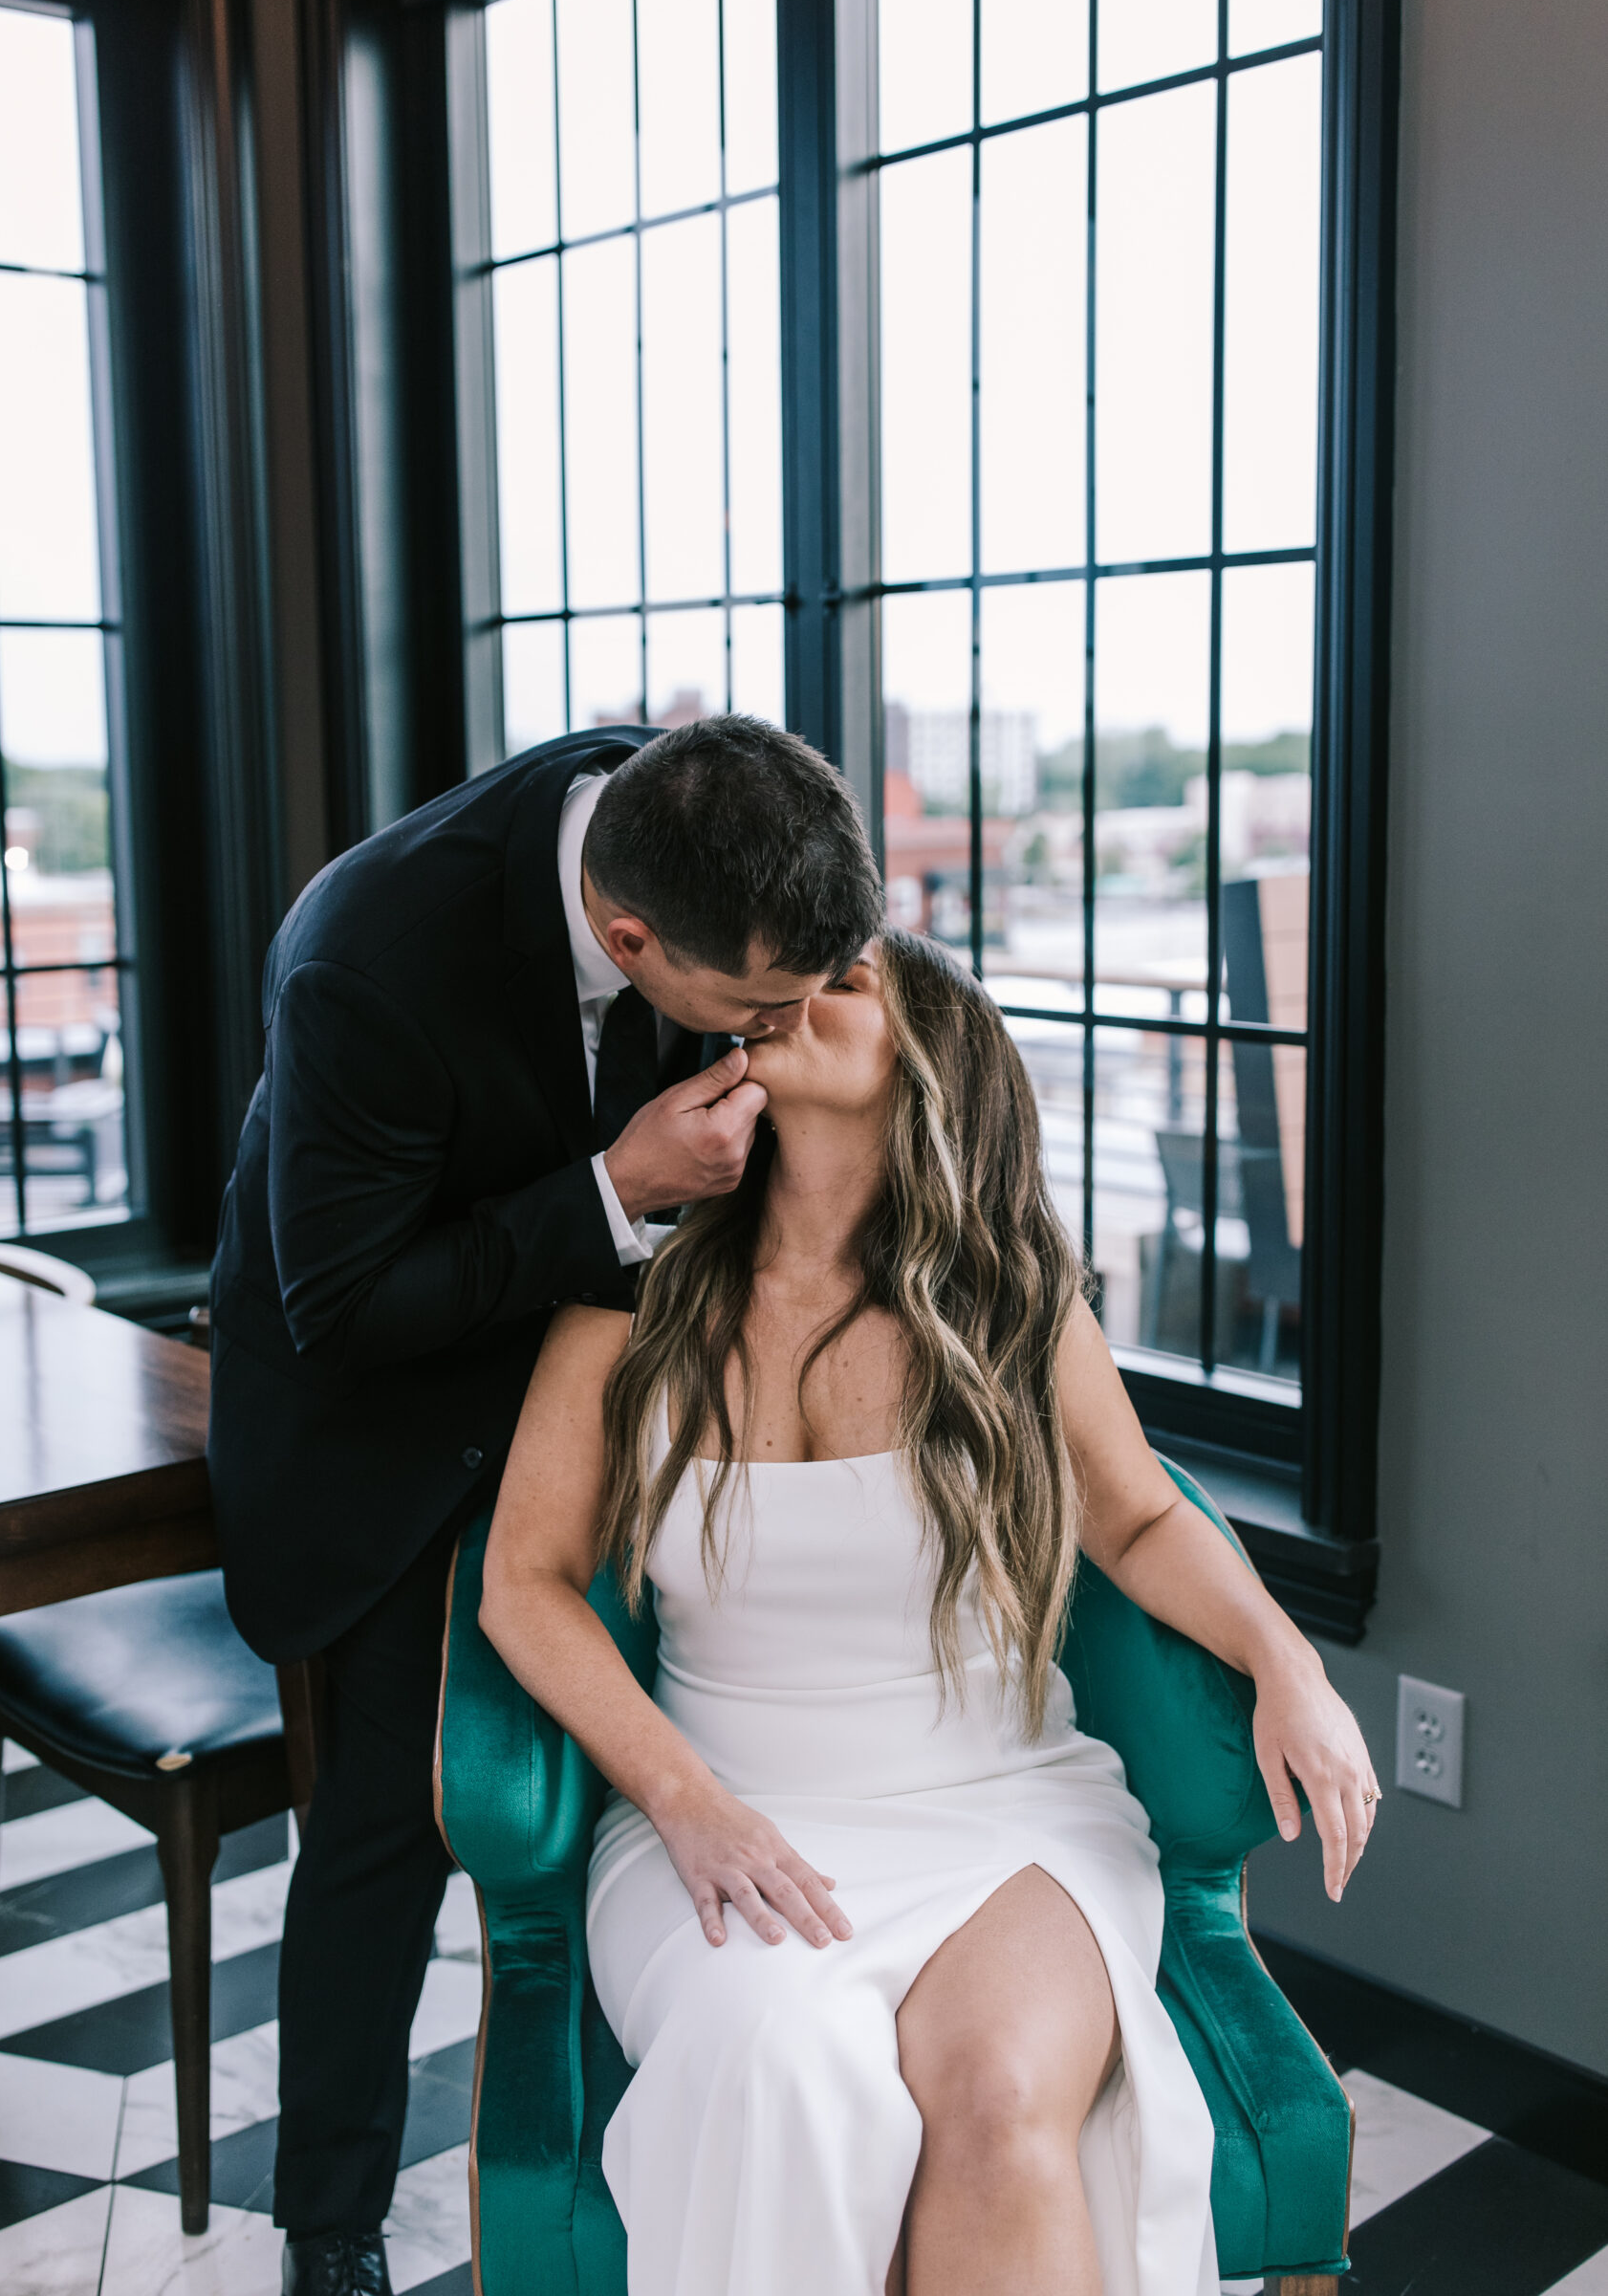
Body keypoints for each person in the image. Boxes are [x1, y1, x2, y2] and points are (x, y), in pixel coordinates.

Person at [480, 928, 1380, 2296]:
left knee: (1004, 2107)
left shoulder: (1014, 1299)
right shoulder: (629, 1300)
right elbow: (522, 1586)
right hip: (720, 1814)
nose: (788, 996)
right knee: (780, 2077)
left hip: (1000, 1805)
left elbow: (1135, 1517)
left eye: (843, 983)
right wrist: (683, 1799)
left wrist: (1285, 1659)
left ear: (926, 1064)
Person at [207, 717, 883, 2296]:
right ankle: (332, 2233)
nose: (780, 1034)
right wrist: (618, 1187)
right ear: (634, 939)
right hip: (379, 1419)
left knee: (633, 1790)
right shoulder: (367, 962)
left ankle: (657, 2163)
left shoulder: (702, 822)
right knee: (387, 1831)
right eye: (756, 1008)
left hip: (599, 1393)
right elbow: (346, 1305)